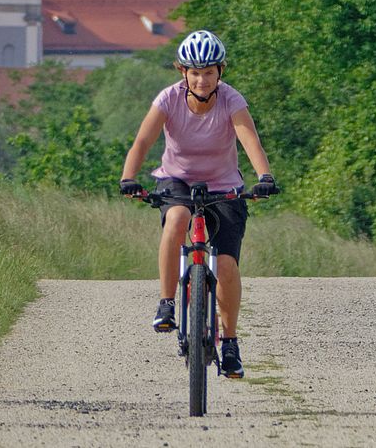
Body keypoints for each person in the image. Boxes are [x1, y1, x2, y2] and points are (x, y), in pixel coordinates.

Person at [119, 29, 279, 379]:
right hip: (177, 180)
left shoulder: (231, 100)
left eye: (209, 72)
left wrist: (264, 177)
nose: (202, 79)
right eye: (194, 72)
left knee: (225, 267)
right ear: (182, 72)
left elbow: (249, 140)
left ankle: (231, 343)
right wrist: (128, 177)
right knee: (177, 219)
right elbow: (143, 141)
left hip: (224, 186)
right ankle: (166, 304)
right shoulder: (168, 99)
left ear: (221, 72)